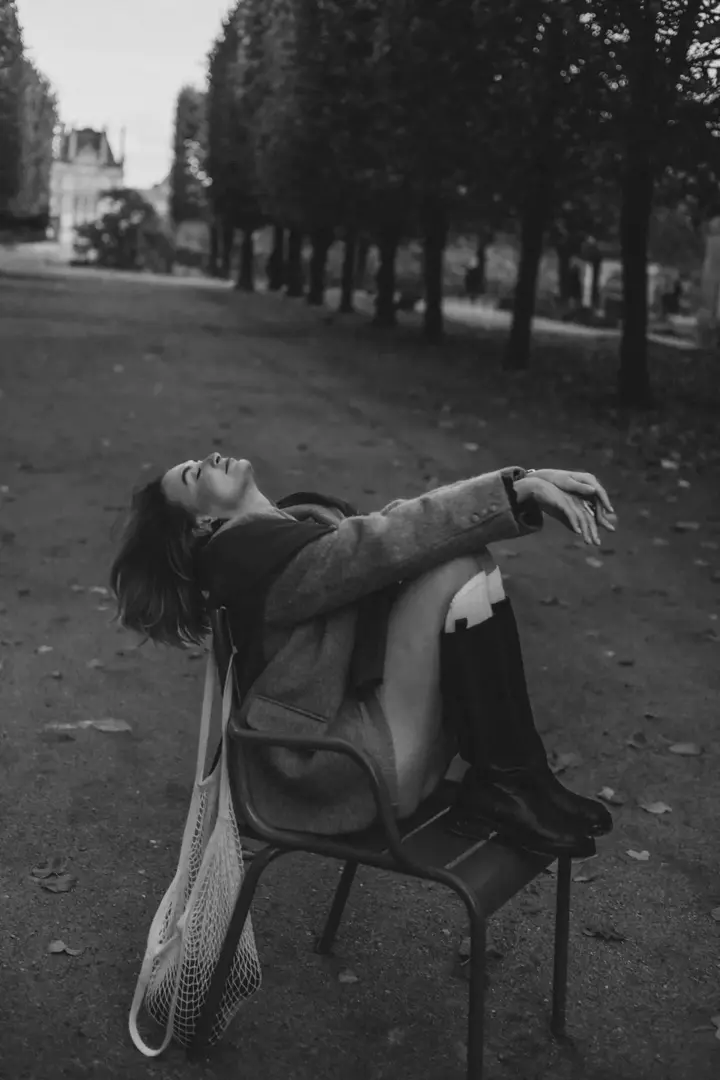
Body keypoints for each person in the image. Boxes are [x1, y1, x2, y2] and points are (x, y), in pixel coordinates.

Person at [110, 457, 617, 858]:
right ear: (202, 524)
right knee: (458, 564)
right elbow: (382, 543)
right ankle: (506, 781)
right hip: (348, 773)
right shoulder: (245, 561)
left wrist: (525, 479)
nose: (210, 457)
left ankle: (518, 777)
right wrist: (517, 490)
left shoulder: (282, 534)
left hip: (377, 754)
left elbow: (389, 528)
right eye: (195, 473)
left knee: (461, 560)